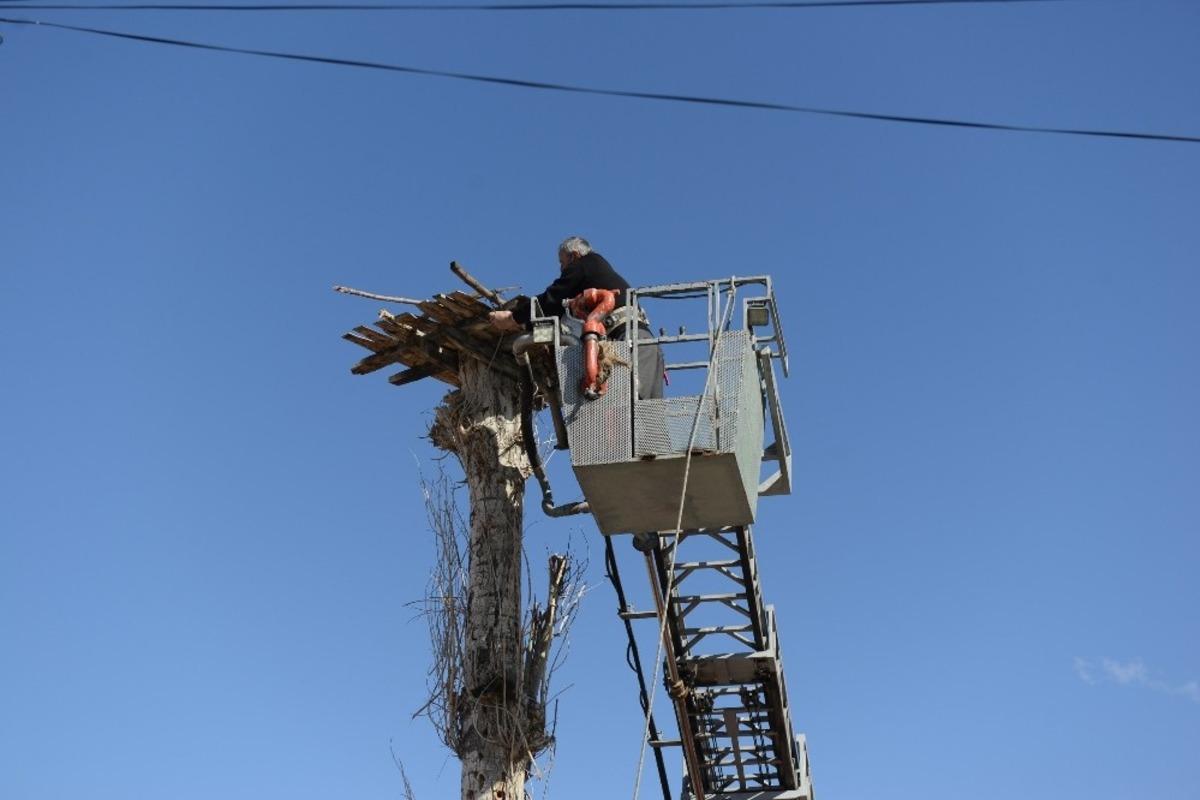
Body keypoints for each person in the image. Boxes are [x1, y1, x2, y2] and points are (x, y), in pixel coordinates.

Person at [490, 236, 665, 400]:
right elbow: (558, 315)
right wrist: (529, 327)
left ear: (574, 256)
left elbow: (553, 298)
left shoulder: (586, 263)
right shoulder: (597, 272)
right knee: (644, 413)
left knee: (637, 407)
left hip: (631, 341)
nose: (561, 269)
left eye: (562, 262)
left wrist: (513, 318)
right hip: (642, 343)